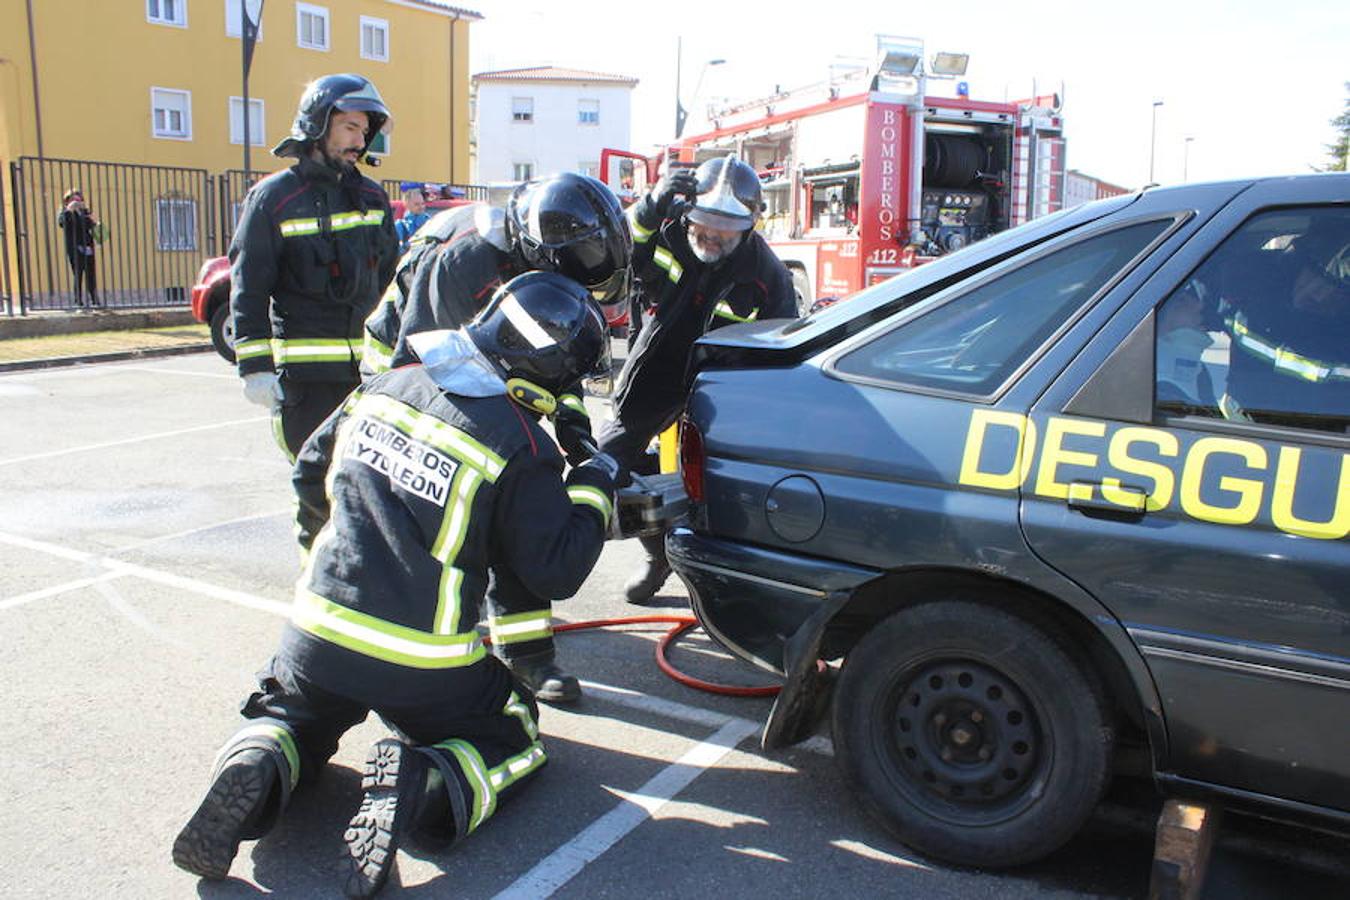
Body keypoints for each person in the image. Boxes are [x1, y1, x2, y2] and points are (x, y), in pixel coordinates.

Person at [172, 272, 621, 899]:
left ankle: (260, 756)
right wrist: (594, 484)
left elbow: (309, 474)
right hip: (423, 664)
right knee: (513, 729)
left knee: (295, 712)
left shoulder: (386, 384)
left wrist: (324, 568)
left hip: (315, 635)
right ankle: (425, 779)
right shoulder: (521, 444)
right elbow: (555, 568)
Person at [362, 172, 632, 703]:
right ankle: (417, 639)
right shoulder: (463, 263)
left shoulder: (539, 263)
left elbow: (553, 366)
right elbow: (424, 364)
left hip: (495, 383)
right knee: (447, 510)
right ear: (539, 251)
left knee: (527, 496)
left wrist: (576, 437)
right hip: (410, 379)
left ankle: (528, 655)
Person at [599, 154, 795, 603]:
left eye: (726, 226)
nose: (711, 233)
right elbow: (617, 255)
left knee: (718, 490)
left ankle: (717, 581)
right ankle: (657, 554)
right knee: (609, 465)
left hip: (720, 394)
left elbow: (783, 350)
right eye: (704, 220)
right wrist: (647, 210)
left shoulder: (767, 273)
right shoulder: (665, 233)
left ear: (749, 224)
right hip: (655, 375)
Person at [230, 73, 399, 461]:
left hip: (370, 381)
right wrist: (254, 367)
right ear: (318, 125)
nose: (359, 141)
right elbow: (248, 288)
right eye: (349, 127)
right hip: (305, 387)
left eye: (364, 130)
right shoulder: (273, 198)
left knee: (366, 500)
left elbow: (395, 285)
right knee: (313, 499)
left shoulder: (372, 198)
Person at [1219, 219, 1350, 433]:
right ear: (1301, 263)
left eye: (1339, 293)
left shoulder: (1337, 331)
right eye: (1319, 278)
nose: (1320, 295)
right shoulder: (1257, 315)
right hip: (1253, 434)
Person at [57, 189, 101, 311]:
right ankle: (78, 301)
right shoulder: (65, 212)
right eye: (74, 199)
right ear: (67, 201)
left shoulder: (84, 213)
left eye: (79, 199)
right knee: (78, 274)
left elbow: (90, 226)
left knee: (91, 274)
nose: (77, 202)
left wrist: (96, 225)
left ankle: (94, 300)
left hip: (87, 247)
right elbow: (62, 223)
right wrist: (69, 210)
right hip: (75, 249)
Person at [394, 183, 430, 255]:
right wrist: (408, 246)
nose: (421, 207)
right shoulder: (400, 225)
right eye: (417, 204)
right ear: (407, 204)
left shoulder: (431, 222)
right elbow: (395, 251)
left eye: (422, 203)